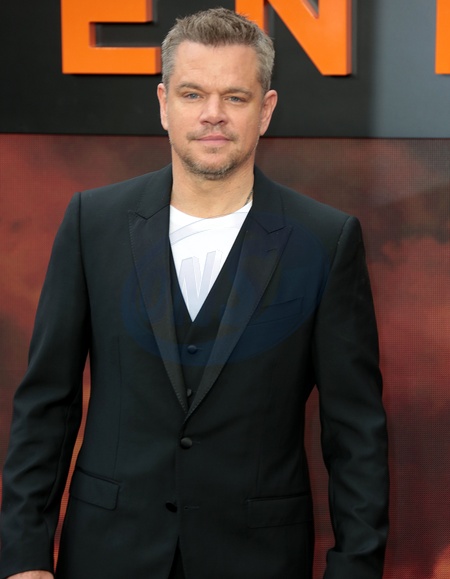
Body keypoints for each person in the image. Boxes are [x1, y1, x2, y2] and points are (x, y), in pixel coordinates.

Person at [0, 7, 389, 579]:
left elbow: (356, 434)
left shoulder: (327, 241)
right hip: (108, 554)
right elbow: (47, 407)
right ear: (164, 104)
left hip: (258, 560)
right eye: (192, 94)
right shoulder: (92, 223)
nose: (213, 114)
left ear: (266, 110)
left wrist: (354, 569)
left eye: (235, 97)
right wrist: (24, 558)